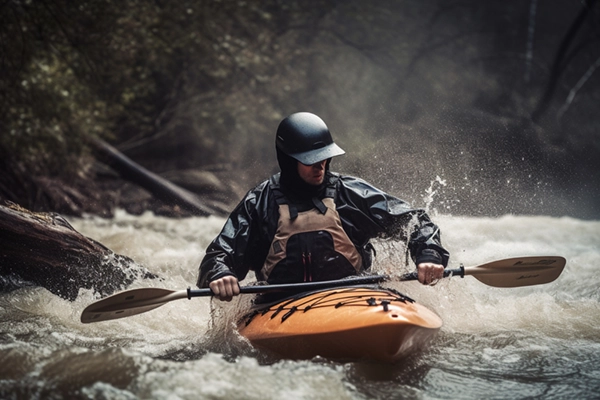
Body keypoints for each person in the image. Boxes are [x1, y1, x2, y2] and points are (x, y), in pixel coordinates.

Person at [197, 112, 449, 301]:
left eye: (324, 157)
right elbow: (219, 254)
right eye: (311, 160)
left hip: (353, 298)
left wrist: (429, 254)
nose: (321, 165)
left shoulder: (350, 193)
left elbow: (414, 221)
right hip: (279, 305)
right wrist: (219, 274)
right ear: (288, 160)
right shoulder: (258, 203)